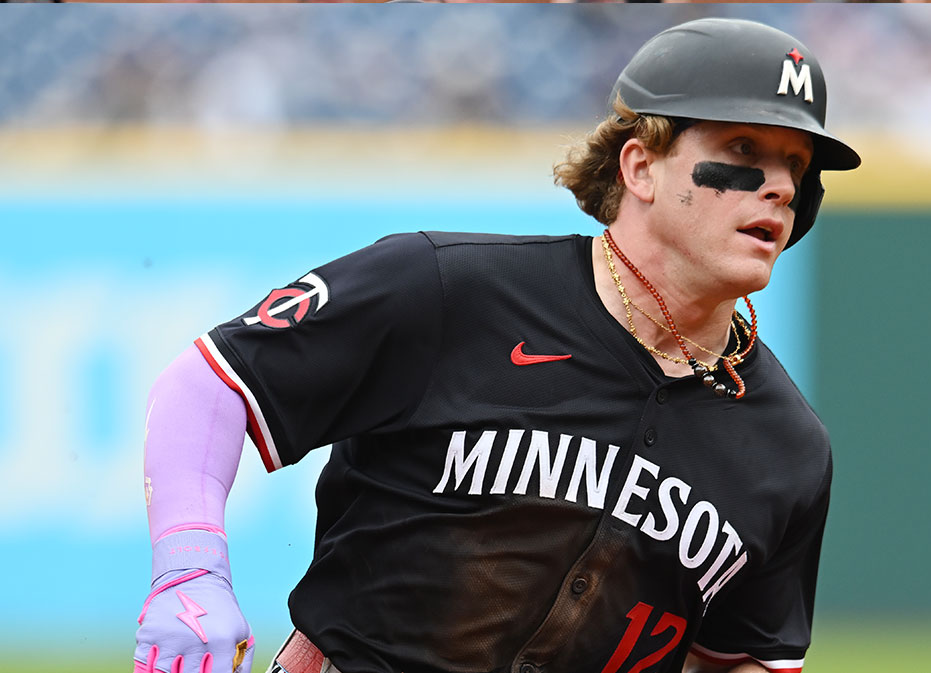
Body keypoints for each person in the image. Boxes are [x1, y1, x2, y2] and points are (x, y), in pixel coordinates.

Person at [133, 17, 860, 673]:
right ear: (640, 166)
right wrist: (189, 569)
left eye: (797, 164)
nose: (780, 188)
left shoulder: (788, 447)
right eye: (744, 149)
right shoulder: (449, 289)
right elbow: (212, 385)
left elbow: (740, 658)